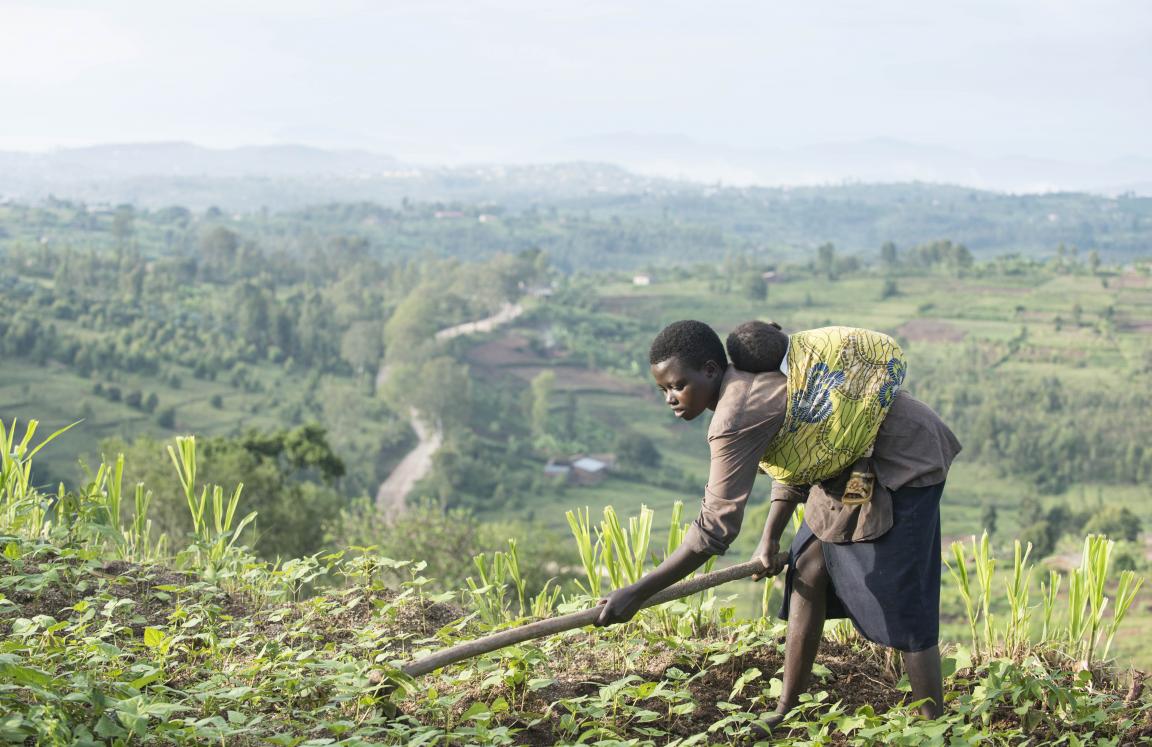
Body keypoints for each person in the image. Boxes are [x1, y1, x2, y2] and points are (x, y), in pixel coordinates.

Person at [594, 319, 961, 732]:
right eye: (664, 390)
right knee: (807, 566)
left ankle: (936, 726)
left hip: (901, 458)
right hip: (850, 467)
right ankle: (787, 708)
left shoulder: (734, 417)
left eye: (678, 385)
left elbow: (714, 529)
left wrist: (638, 593)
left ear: (712, 370)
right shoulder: (749, 382)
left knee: (902, 592)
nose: (671, 399)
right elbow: (797, 451)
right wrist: (769, 537)